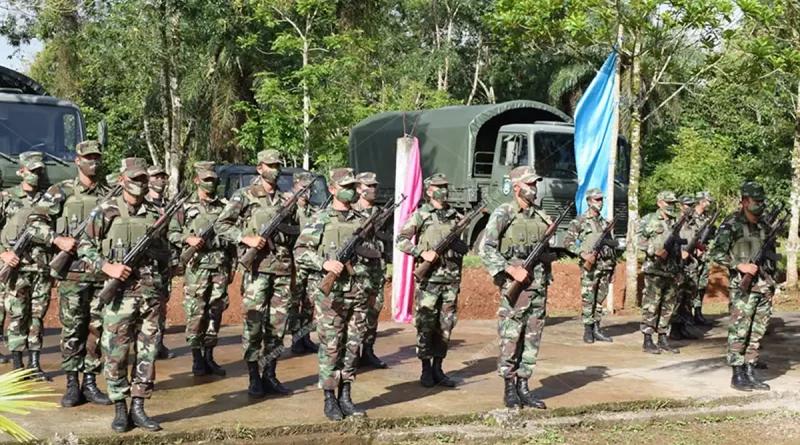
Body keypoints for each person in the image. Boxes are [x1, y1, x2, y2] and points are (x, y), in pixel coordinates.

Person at [78, 158, 169, 432]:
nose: (140, 183)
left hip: (150, 294)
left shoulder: (157, 213)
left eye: (143, 179)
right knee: (116, 353)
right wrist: (107, 266)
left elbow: (169, 250)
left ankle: (139, 407)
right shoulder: (105, 210)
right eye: (135, 178)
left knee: (148, 352)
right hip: (119, 296)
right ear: (122, 180)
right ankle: (120, 407)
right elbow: (84, 245)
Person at [29, 141, 112, 406]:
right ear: (77, 161)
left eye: (97, 158)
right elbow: (34, 222)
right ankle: (71, 384)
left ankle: (90, 383)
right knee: (72, 331)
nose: (94, 163)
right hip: (72, 274)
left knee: (96, 330)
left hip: (101, 275)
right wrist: (57, 240)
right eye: (88, 158)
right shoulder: (61, 191)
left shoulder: (110, 195)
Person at [215, 149, 295, 398]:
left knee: (278, 327)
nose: (275, 169)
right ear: (259, 168)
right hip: (256, 270)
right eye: (270, 165)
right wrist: (245, 238)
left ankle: (270, 374)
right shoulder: (244, 196)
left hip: (281, 270)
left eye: (278, 165)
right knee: (253, 324)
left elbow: (295, 233)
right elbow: (221, 225)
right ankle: (253, 376)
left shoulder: (285, 199)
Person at [294, 168, 370, 421]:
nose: (352, 190)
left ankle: (346, 395)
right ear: (333, 189)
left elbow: (374, 258)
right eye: (346, 185)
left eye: (354, 185)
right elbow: (300, 251)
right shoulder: (321, 219)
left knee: (353, 345)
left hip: (358, 292)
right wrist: (323, 263)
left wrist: (373, 288)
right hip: (332, 296)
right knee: (331, 346)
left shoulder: (362, 219)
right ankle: (329, 397)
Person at [479, 166, 551, 410]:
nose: (534, 188)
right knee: (511, 338)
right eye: (530, 184)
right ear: (517, 186)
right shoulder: (504, 212)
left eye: (535, 184)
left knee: (532, 338)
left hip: (539, 287)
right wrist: (510, 270)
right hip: (515, 289)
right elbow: (485, 248)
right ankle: (509, 388)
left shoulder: (541, 216)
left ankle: (524, 386)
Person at [396, 173, 464, 386]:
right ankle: (426, 369)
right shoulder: (421, 215)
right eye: (438, 187)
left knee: (446, 324)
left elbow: (463, 247)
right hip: (429, 280)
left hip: (451, 280)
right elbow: (401, 240)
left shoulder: (456, 216)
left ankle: (438, 368)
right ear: (429, 191)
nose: (443, 190)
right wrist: (420, 253)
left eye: (445, 186)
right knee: (426, 324)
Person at [710, 182, 776, 392]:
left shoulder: (764, 225)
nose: (760, 205)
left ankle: (750, 369)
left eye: (762, 201)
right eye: (756, 201)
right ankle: (737, 373)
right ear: (745, 201)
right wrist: (739, 265)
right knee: (740, 331)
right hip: (744, 288)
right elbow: (716, 252)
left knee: (757, 332)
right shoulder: (732, 224)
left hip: (764, 286)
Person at [168, 162, 231, 377]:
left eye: (213, 179)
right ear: (197, 180)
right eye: (206, 179)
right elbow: (171, 233)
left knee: (215, 312)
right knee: (196, 313)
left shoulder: (224, 206)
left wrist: (231, 267)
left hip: (219, 266)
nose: (210, 183)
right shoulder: (184, 206)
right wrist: (188, 238)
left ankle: (209, 356)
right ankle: (196, 358)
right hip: (196, 268)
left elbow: (232, 236)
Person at [0, 151, 53, 380]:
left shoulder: (49, 199)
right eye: (32, 171)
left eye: (40, 171)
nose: (37, 175)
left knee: (37, 315)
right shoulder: (7, 197)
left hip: (41, 267)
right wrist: (3, 254)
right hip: (16, 267)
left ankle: (34, 363)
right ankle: (17, 363)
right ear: (21, 171)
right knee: (18, 314)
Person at [563, 188, 616, 344]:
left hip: (605, 265)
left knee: (600, 299)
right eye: (596, 200)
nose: (600, 203)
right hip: (590, 266)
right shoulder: (579, 221)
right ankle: (587, 330)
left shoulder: (605, 223)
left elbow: (611, 247)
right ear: (589, 201)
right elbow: (567, 242)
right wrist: (583, 254)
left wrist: (613, 268)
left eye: (601, 200)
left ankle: (597, 329)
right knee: (588, 299)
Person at [637, 191, 683, 355]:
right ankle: (647, 339)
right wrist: (654, 250)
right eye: (668, 203)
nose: (671, 206)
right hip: (654, 270)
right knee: (651, 305)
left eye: (673, 203)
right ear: (659, 203)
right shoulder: (648, 220)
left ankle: (663, 337)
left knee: (668, 306)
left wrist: (679, 268)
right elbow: (637, 240)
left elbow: (678, 248)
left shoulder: (676, 222)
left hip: (671, 270)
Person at [353, 172, 388, 369]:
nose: (373, 190)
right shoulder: (352, 211)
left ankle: (368, 350)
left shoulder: (380, 212)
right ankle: (353, 351)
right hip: (358, 268)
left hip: (377, 267)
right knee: (358, 310)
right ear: (358, 188)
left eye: (374, 186)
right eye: (368, 186)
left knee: (375, 308)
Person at [288, 172, 320, 355]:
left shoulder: (315, 211)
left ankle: (305, 337)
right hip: (294, 263)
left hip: (311, 262)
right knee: (294, 302)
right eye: (303, 188)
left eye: (309, 189)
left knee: (309, 302)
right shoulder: (289, 209)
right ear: (295, 186)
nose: (307, 192)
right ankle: (295, 339)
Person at [146, 165, 175, 360]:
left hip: (165, 262)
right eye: (155, 177)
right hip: (147, 264)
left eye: (163, 177)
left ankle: (158, 342)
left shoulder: (169, 205)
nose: (160, 180)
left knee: (162, 303)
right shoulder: (143, 204)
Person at [693, 191, 716, 325]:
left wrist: (708, 247)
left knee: (702, 284)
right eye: (708, 201)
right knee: (691, 285)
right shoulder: (690, 217)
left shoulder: (707, 218)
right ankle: (685, 315)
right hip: (692, 256)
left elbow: (713, 236)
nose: (710, 204)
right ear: (701, 201)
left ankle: (698, 311)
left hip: (704, 256)